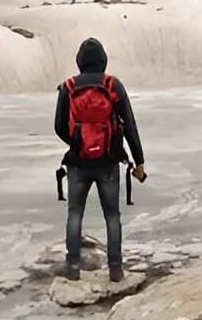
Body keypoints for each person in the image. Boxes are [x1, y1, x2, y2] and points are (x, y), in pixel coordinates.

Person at [54, 38, 145, 282]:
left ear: (79, 61)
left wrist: (77, 142)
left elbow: (59, 126)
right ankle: (115, 270)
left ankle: (73, 269)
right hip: (109, 163)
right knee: (112, 216)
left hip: (77, 164)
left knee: (75, 215)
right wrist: (139, 160)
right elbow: (130, 125)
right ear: (103, 61)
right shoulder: (113, 85)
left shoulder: (68, 87)